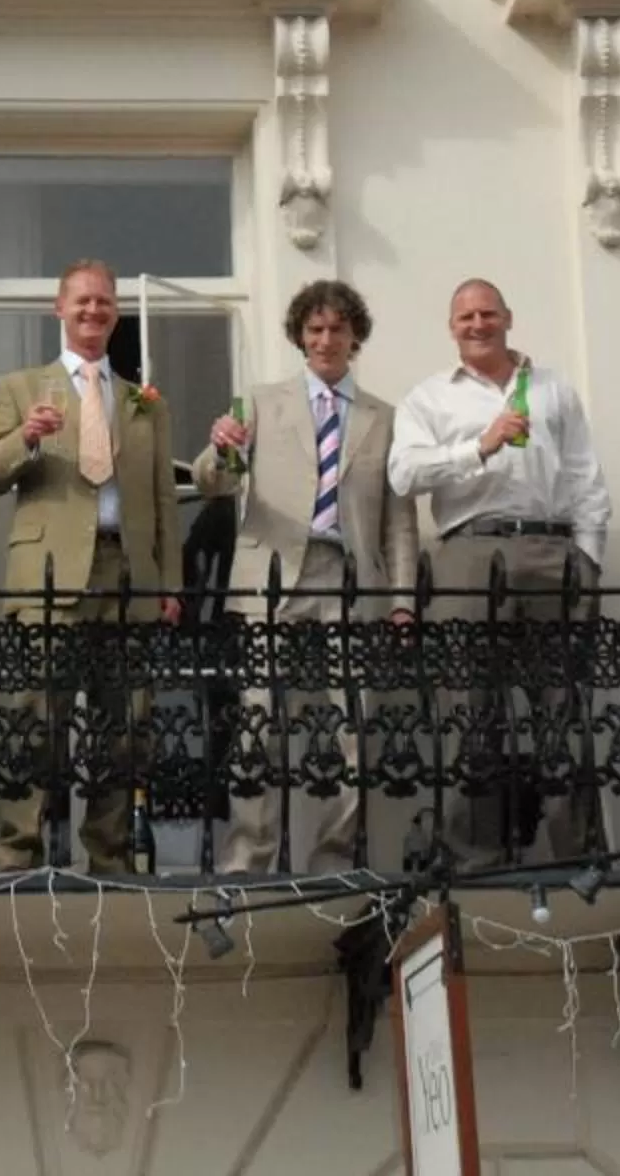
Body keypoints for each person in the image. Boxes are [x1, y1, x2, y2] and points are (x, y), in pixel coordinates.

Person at [190, 278, 418, 873]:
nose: (326, 339)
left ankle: (332, 862)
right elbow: (214, 481)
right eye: (314, 329)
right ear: (299, 337)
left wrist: (401, 601)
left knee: (346, 730)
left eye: (337, 328)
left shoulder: (383, 418)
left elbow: (398, 520)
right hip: (272, 576)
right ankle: (248, 858)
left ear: (355, 336)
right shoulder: (263, 401)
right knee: (260, 723)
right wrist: (218, 447)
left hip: (346, 578)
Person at [388, 278, 612, 863]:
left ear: (508, 317)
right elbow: (403, 475)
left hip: (548, 549)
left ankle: (577, 858)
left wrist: (586, 560)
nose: (478, 324)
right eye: (465, 316)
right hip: (467, 550)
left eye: (488, 313)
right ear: (451, 327)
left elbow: (585, 479)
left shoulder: (554, 388)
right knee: (467, 711)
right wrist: (478, 447)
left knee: (561, 711)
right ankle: (470, 861)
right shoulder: (430, 397)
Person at [0, 259, 183, 873]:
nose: (94, 311)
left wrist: (168, 581)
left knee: (125, 725)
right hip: (47, 574)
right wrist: (28, 438)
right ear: (58, 310)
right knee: (33, 718)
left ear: (115, 313)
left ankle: (111, 855)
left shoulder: (145, 401)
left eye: (105, 303)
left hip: (126, 571)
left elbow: (165, 499)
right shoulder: (20, 387)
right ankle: (16, 853)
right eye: (83, 302)